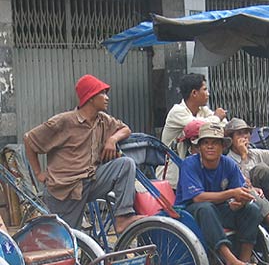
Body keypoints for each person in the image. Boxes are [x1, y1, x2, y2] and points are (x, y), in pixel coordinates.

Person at [24, 74, 144, 232]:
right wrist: (39, 173)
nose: (107, 98)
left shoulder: (102, 120)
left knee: (125, 165)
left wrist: (112, 139)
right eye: (102, 93)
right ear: (91, 98)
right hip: (66, 189)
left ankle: (123, 217)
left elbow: (125, 129)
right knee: (68, 239)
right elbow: (29, 140)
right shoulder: (64, 121)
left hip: (91, 181)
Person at [175, 122, 265, 265]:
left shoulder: (228, 164)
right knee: (206, 208)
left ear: (222, 146)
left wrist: (241, 202)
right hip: (191, 213)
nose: (210, 147)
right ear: (200, 146)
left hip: (220, 209)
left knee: (253, 210)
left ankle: (244, 260)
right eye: (205, 143)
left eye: (215, 143)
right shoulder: (190, 163)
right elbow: (198, 197)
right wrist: (231, 193)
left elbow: (240, 192)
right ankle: (231, 261)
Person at [161, 73, 227, 187]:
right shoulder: (177, 111)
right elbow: (198, 127)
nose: (208, 94)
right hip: (176, 176)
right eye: (205, 89)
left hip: (200, 171)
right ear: (194, 93)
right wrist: (216, 118)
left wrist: (214, 120)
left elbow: (225, 126)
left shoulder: (203, 110)